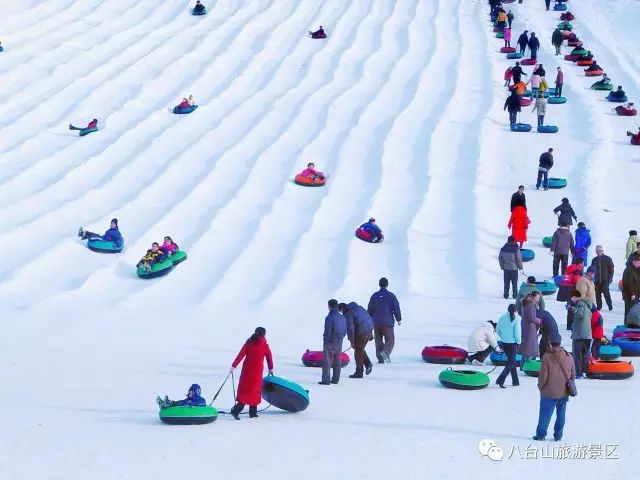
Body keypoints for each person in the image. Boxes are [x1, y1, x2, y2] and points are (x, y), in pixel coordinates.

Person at [534, 332, 574, 441]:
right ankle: (558, 435)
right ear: (560, 342)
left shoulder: (547, 357)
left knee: (545, 414)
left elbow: (543, 376)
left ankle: (541, 435)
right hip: (564, 391)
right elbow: (573, 374)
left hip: (549, 392)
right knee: (561, 414)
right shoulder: (568, 356)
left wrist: (540, 387)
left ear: (550, 343)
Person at [229, 327, 274, 419]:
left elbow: (241, 354)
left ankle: (250, 412)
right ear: (263, 334)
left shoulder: (249, 343)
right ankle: (241, 411)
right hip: (257, 372)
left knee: (246, 390)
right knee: (254, 391)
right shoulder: (264, 345)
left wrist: (234, 365)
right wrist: (270, 368)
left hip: (246, 371)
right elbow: (269, 357)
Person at [368, 277, 402, 363]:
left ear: (379, 285)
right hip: (387, 323)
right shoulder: (391, 296)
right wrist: (398, 319)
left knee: (378, 340)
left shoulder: (374, 296)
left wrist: (368, 321)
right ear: (387, 285)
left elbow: (369, 309)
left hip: (376, 322)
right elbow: (396, 308)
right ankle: (385, 353)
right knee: (390, 339)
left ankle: (380, 359)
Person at [339, 302, 374, 378]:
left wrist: (352, 341)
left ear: (342, 309)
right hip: (368, 330)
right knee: (359, 349)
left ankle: (359, 372)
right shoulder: (359, 307)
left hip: (362, 333)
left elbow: (350, 329)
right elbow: (368, 317)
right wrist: (371, 332)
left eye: (340, 311)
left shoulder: (348, 314)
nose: (341, 313)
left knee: (358, 353)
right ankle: (368, 364)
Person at [318, 300, 347, 385]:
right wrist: (340, 337)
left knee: (327, 361)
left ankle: (326, 380)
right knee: (337, 360)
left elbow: (328, 331)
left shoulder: (329, 317)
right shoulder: (342, 317)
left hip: (330, 341)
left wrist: (325, 341)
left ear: (329, 306)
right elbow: (345, 330)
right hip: (339, 341)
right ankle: (335, 379)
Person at [496, 304, 521, 387]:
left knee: (512, 361)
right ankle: (500, 379)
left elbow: (497, 330)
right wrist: (518, 342)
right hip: (512, 344)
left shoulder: (502, 318)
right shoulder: (516, 319)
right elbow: (517, 333)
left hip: (504, 343)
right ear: (515, 310)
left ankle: (515, 381)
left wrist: (503, 337)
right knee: (511, 363)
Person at [569, 290, 592, 379]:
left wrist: (572, 309)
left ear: (575, 297)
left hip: (579, 335)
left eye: (572, 298)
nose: (571, 300)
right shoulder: (588, 305)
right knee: (585, 354)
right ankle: (585, 371)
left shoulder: (580, 304)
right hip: (587, 334)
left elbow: (580, 314)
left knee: (577, 354)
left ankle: (579, 373)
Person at [520, 291, 542, 370]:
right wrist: (539, 321)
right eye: (537, 298)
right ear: (532, 297)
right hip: (529, 327)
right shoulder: (530, 305)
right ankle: (525, 365)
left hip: (527, 326)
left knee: (527, 346)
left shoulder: (527, 303)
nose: (538, 300)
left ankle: (523, 365)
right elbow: (531, 317)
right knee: (529, 347)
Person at [591, 245, 614, 311]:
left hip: (605, 280)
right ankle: (599, 306)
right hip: (597, 280)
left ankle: (610, 305)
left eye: (600, 251)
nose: (599, 252)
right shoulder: (594, 260)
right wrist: (592, 278)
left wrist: (610, 278)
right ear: (596, 251)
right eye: (597, 251)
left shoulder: (607, 259)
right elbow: (592, 270)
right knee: (597, 294)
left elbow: (611, 269)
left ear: (602, 251)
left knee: (606, 293)